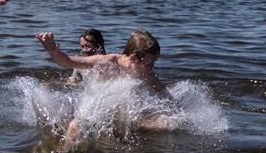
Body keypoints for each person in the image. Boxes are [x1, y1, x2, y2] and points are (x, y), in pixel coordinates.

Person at [36, 29, 174, 146]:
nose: (152, 67)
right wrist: (52, 49)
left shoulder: (146, 74)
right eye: (149, 63)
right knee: (75, 126)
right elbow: (68, 62)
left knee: (166, 125)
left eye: (154, 62)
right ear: (133, 58)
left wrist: (177, 114)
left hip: (124, 117)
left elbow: (165, 94)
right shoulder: (108, 62)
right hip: (94, 111)